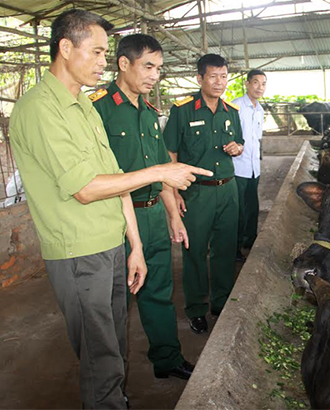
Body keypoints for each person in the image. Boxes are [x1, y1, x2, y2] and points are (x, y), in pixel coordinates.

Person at [9, 10, 211, 408]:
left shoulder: (83, 107)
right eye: (98, 52)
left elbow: (115, 176)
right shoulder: (41, 109)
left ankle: (118, 395)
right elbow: (86, 188)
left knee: (114, 344)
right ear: (66, 48)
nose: (104, 61)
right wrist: (160, 171)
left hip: (114, 242)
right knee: (101, 355)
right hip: (78, 250)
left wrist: (134, 244)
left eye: (106, 52)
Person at [92, 34, 194, 380]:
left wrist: (171, 214)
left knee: (160, 292)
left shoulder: (150, 113)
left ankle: (167, 359)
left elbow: (160, 168)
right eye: (148, 66)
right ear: (124, 64)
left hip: (151, 213)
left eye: (159, 69)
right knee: (115, 304)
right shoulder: (98, 109)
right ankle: (111, 380)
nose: (155, 76)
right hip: (116, 218)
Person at [164, 54, 244, 334]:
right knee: (195, 251)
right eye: (213, 76)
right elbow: (170, 152)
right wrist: (173, 193)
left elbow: (240, 141)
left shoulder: (231, 111)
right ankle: (196, 308)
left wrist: (238, 148)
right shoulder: (183, 110)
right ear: (199, 79)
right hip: (197, 193)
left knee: (225, 250)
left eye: (223, 76)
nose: (219, 82)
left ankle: (221, 302)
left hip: (228, 189)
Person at [232, 69, 267, 261]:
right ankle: (235, 247)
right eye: (255, 82)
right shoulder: (236, 107)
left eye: (263, 83)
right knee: (238, 210)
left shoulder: (260, 109)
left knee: (253, 207)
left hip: (254, 167)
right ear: (246, 84)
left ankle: (249, 241)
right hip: (238, 167)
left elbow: (257, 139)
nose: (259, 87)